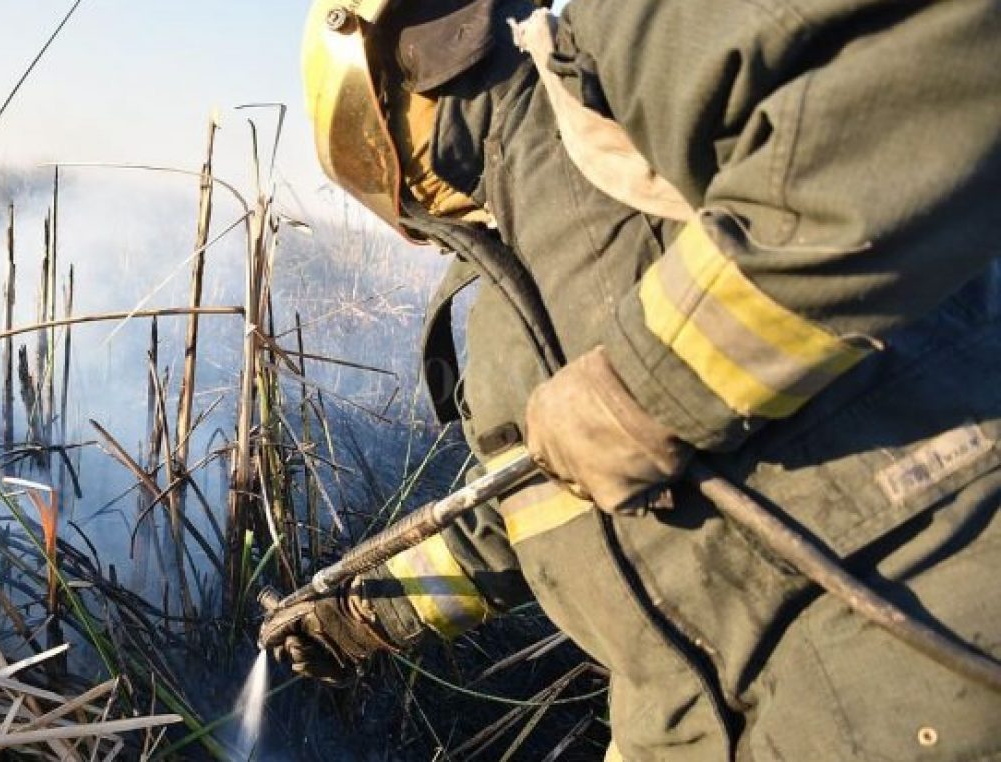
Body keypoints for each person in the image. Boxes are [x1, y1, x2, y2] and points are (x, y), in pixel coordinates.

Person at [261, 0, 1001, 758]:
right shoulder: (504, 300)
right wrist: (368, 609)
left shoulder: (615, 60)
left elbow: (923, 76)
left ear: (376, 101)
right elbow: (539, 503)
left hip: (919, 660)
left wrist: (651, 384)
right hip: (696, 726)